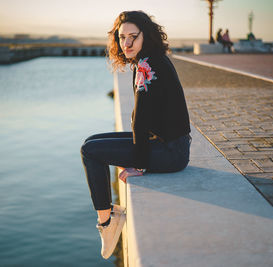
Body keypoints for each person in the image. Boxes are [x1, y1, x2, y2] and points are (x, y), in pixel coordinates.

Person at [80, 10, 191, 259]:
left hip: (170, 152)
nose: (126, 43)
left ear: (146, 36)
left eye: (133, 37)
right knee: (91, 142)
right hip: (170, 144)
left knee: (89, 152)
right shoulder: (150, 59)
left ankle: (107, 222)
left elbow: (140, 120)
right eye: (122, 37)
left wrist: (139, 164)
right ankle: (110, 214)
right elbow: (140, 117)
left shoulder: (147, 64)